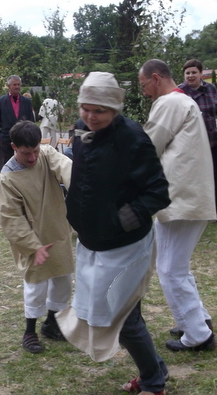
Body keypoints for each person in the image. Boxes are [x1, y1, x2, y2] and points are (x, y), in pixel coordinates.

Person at [56, 72, 170, 395]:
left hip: (125, 245)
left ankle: (154, 383)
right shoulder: (82, 130)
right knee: (125, 314)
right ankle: (155, 370)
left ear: (115, 109)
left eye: (100, 111)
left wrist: (121, 219)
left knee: (122, 317)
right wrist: (76, 211)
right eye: (85, 108)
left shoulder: (132, 138)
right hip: (93, 241)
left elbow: (158, 193)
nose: (91, 117)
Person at [138, 59, 216, 353]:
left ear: (156, 78)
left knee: (170, 270)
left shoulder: (170, 103)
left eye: (144, 85)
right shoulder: (183, 102)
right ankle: (196, 320)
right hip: (186, 196)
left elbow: (147, 147)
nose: (144, 92)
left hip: (181, 198)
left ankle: (198, 335)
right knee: (176, 267)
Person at [0, 121, 74, 354]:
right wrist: (33, 246)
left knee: (63, 277)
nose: (32, 158)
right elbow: (11, 218)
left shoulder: (46, 154)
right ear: (14, 147)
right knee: (36, 285)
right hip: (32, 238)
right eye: (26, 153)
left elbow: (68, 169)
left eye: (35, 151)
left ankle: (51, 323)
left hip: (57, 230)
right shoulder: (8, 178)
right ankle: (30, 331)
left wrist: (85, 188)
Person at [178, 59, 217, 224]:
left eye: (194, 72)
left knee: (213, 177)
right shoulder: (179, 92)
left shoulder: (211, 89)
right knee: (191, 178)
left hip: (212, 142)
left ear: (201, 73)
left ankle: (214, 212)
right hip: (190, 145)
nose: (190, 76)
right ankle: (191, 212)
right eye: (187, 73)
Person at [0, 75, 35, 170]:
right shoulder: (0, 102)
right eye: (14, 84)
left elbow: (31, 121)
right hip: (6, 140)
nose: (17, 87)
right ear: (8, 86)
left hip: (23, 140)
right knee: (6, 166)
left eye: (18, 84)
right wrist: (0, 136)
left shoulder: (26, 102)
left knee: (23, 165)